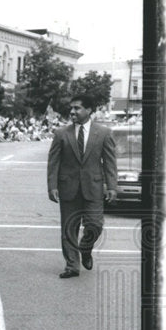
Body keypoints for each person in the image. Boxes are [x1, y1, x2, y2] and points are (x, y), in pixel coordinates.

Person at [47, 95, 118, 278]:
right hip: (67, 187)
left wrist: (112, 186)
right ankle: (72, 266)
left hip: (93, 187)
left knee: (95, 225)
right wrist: (52, 186)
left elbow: (109, 162)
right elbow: (53, 162)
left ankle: (85, 248)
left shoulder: (103, 133)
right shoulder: (61, 133)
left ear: (89, 110)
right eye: (71, 108)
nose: (72, 112)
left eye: (77, 108)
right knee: (69, 228)